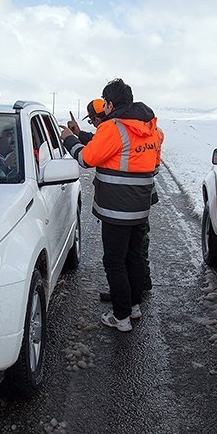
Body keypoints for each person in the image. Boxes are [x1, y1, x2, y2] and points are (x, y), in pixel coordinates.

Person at [60, 78, 161, 332]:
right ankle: (133, 306)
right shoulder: (149, 127)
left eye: (105, 103)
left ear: (110, 103)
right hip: (141, 206)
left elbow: (87, 158)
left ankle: (121, 317)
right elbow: (146, 160)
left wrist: (69, 140)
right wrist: (81, 134)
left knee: (114, 261)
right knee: (134, 256)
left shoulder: (114, 127)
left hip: (116, 209)